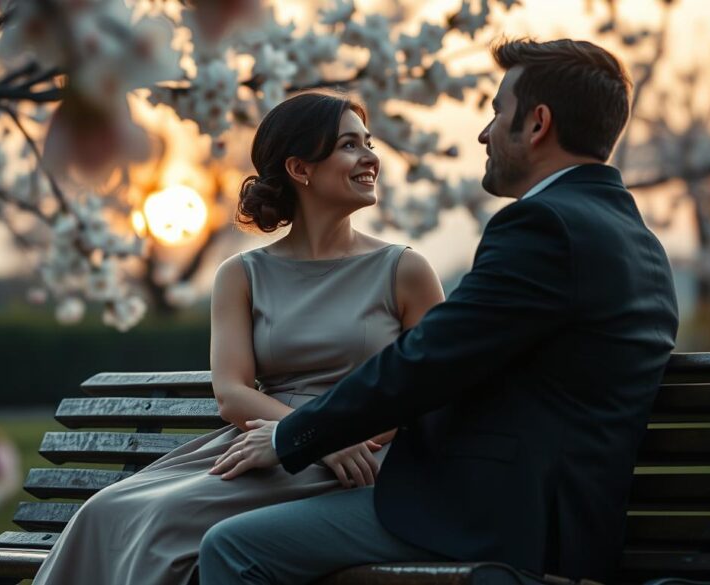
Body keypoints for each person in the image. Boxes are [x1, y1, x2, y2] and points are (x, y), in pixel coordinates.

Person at [202, 38, 680, 585]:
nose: (483, 132)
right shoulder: (637, 240)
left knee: (235, 549)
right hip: (563, 514)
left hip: (490, 515)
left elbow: (426, 360)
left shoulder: (544, 227)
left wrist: (294, 436)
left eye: (498, 112)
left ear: (538, 123)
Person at [29, 89, 445, 585]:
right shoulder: (242, 274)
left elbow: (432, 390)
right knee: (105, 510)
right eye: (349, 146)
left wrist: (328, 435)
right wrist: (307, 434)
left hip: (360, 456)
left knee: (163, 521)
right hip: (264, 442)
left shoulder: (404, 269)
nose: (371, 158)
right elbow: (231, 393)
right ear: (300, 168)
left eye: (368, 143)